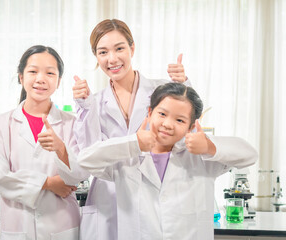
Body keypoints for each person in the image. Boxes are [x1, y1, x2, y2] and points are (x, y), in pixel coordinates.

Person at [77, 82, 258, 240]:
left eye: (180, 120)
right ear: (150, 112)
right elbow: (85, 160)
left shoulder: (200, 159)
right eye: (162, 114)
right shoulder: (127, 158)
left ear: (191, 126)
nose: (168, 124)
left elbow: (250, 155)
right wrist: (134, 143)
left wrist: (210, 147)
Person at [72, 19, 189, 240]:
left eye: (119, 48)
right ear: (96, 57)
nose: (112, 59)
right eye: (103, 52)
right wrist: (84, 107)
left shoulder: (161, 91)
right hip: (108, 200)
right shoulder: (93, 102)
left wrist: (184, 86)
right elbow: (88, 156)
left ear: (132, 48)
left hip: (154, 197)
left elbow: (185, 138)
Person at [0, 45, 88, 240]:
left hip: (62, 225)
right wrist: (48, 183)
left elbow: (80, 174)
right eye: (33, 71)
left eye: (50, 73)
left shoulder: (72, 123)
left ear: (58, 82)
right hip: (18, 225)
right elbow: (1, 179)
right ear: (21, 77)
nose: (41, 79)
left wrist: (60, 148)